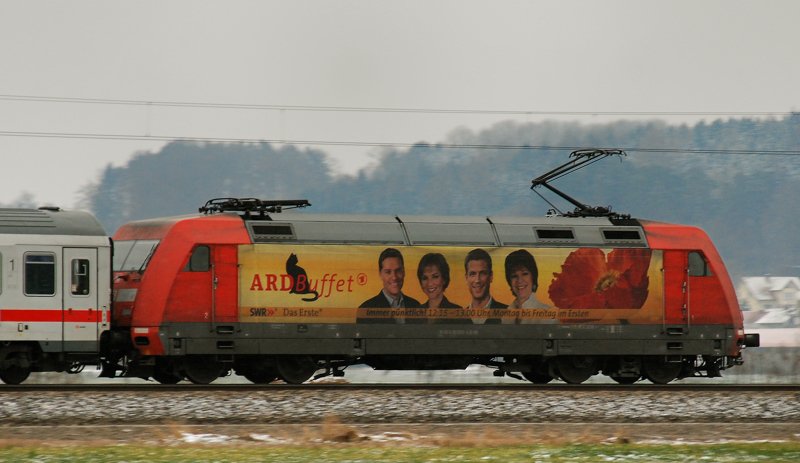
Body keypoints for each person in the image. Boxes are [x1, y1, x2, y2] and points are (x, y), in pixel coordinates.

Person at [359, 247, 421, 313]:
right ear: (380, 274)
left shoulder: (416, 306)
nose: (394, 277)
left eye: (398, 271)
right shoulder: (365, 309)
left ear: (404, 272)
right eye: (388, 272)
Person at [464, 248, 506, 323]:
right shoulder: (458, 318)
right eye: (472, 274)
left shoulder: (507, 313)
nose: (477, 280)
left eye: (482, 273)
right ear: (466, 278)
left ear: (491, 276)